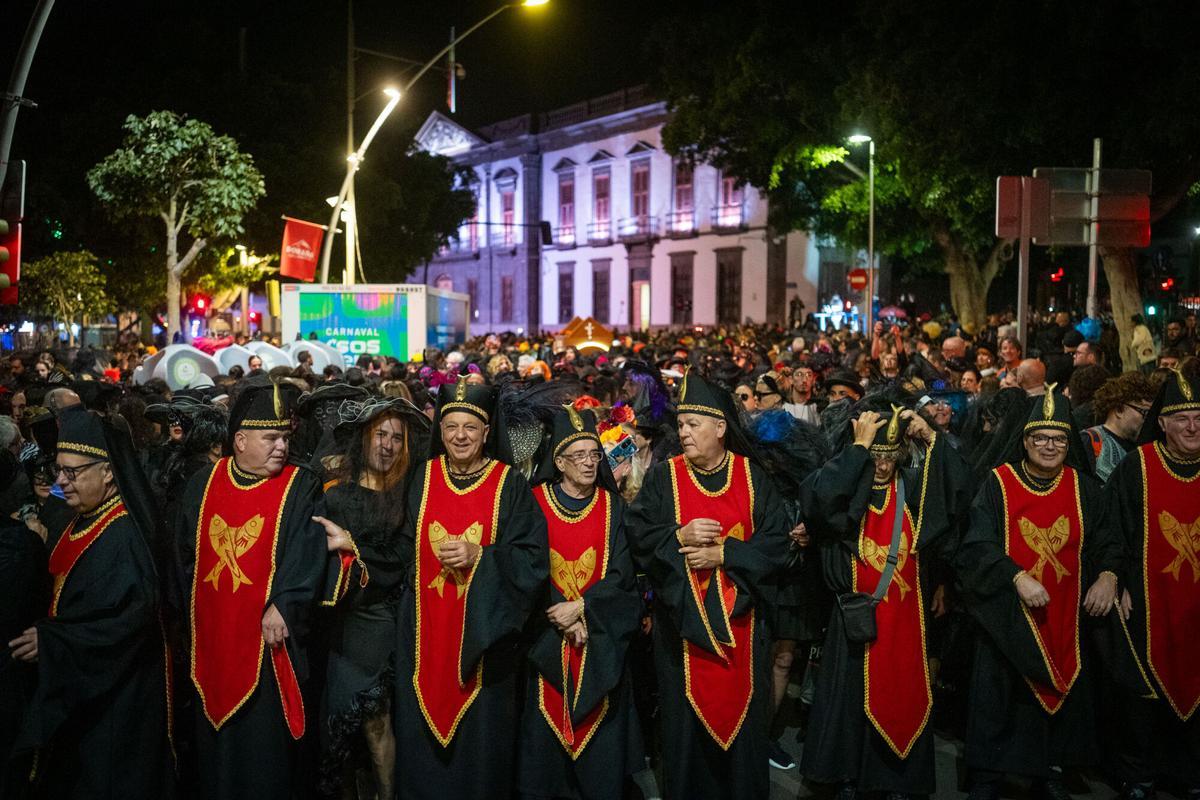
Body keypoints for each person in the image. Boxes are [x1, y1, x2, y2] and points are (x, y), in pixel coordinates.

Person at [627, 371, 789, 799]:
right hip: (682, 638)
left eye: (693, 424)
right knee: (684, 738)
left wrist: (726, 554)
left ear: (720, 428)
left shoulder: (753, 477)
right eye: (679, 424)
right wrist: (677, 536)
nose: (683, 432)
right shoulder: (665, 477)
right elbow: (637, 535)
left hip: (743, 634)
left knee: (743, 738)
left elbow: (777, 547)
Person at [957, 388, 1122, 800]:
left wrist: (1107, 576)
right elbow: (976, 545)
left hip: (1065, 615)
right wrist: (1015, 577)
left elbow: (1109, 541)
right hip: (1006, 617)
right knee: (1000, 698)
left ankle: (1047, 769)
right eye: (1041, 438)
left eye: (1060, 439)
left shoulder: (1084, 488)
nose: (1050, 447)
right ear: (1026, 441)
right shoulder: (998, 483)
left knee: (1061, 694)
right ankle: (988, 776)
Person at [799, 400, 967, 800]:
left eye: (889, 457)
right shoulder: (843, 492)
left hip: (905, 619)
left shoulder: (911, 496)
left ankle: (896, 777)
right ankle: (846, 775)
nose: (881, 465)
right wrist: (856, 449)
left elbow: (957, 496)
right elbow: (820, 504)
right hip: (854, 618)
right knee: (849, 701)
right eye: (874, 456)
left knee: (902, 695)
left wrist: (930, 436)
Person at [393, 376, 548, 800]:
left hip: (485, 644)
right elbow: (397, 549)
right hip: (423, 638)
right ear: (439, 432)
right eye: (450, 427)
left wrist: (482, 556)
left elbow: (533, 561)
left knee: (481, 756)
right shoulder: (421, 477)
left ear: (486, 432)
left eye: (470, 427)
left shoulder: (509, 484)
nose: (460, 436)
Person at [176, 377, 330, 800]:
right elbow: (182, 558)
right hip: (211, 643)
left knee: (264, 761)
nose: (281, 446)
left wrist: (285, 602)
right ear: (240, 440)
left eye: (285, 436)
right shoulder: (203, 485)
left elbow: (307, 550)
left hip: (266, 649)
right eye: (270, 437)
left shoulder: (301, 485)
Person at [10, 406, 171, 798]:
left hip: (117, 697)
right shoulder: (82, 515)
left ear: (108, 472)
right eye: (59, 470)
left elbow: (122, 623)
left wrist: (54, 641)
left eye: (72, 473)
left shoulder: (124, 537)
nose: (62, 483)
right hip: (82, 686)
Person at [518, 405, 643, 800]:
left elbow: (624, 574)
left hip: (598, 636)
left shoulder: (613, 507)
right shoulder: (533, 502)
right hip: (545, 636)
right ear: (558, 461)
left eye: (594, 455)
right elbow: (522, 567)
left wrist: (583, 607)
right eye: (579, 456)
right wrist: (559, 615)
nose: (590, 463)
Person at [310, 397, 429, 799]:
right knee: (341, 720)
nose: (388, 444)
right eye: (381, 434)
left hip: (382, 621)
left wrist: (351, 543)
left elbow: (402, 556)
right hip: (342, 622)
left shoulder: (408, 496)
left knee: (376, 721)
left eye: (397, 437)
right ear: (364, 438)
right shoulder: (337, 496)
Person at [1106, 368, 1200, 800]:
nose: (1193, 426)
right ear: (1161, 422)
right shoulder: (1136, 468)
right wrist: (1117, 578)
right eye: (1182, 418)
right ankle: (1139, 774)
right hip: (1147, 600)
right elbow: (1114, 531)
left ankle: (1191, 771)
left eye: (1199, 416)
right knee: (1141, 692)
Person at [1080, 373, 1155, 481]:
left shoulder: (1147, 446)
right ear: (1119, 410)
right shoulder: (1090, 441)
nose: (1148, 420)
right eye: (1144, 412)